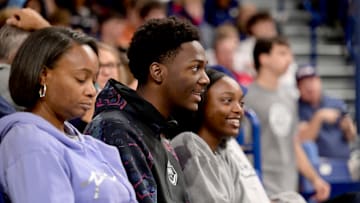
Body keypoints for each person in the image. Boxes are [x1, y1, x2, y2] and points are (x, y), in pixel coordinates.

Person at [0, 27, 137, 203]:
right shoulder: (29, 141)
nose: (91, 91)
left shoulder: (96, 147)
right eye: (81, 79)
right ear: (43, 76)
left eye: (93, 81)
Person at [85, 16, 210, 203]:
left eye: (204, 69)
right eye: (195, 68)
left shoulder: (158, 131)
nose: (205, 79)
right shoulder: (116, 130)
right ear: (157, 72)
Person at [244, 37, 330, 202]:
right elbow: (242, 148)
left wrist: (315, 179)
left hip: (288, 186)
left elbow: (293, 143)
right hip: (258, 187)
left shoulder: (290, 96)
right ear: (264, 58)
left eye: (290, 54)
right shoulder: (246, 97)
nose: (289, 59)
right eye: (282, 53)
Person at [171, 68, 270, 203]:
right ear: (201, 103)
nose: (238, 110)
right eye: (227, 100)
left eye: (241, 103)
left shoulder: (223, 152)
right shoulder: (188, 143)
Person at [296, 64, 357, 161]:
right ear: (298, 88)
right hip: (317, 164)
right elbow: (304, 139)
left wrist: (348, 128)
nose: (309, 87)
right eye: (304, 83)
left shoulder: (336, 103)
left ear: (319, 81)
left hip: (344, 161)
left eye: (311, 81)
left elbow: (351, 136)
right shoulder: (297, 108)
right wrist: (319, 117)